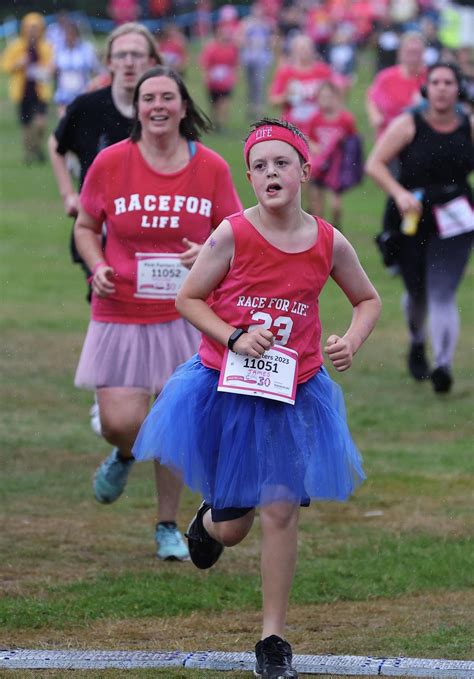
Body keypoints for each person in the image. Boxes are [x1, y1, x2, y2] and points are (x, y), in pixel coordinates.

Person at [132, 118, 381, 677]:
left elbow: (368, 300)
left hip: (296, 390)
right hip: (228, 386)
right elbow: (189, 297)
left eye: (282, 163)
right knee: (235, 526)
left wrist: (351, 341)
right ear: (249, 176)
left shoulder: (326, 241)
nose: (271, 172)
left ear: (303, 171)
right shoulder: (232, 234)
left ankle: (273, 639)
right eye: (260, 166)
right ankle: (208, 520)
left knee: (281, 509)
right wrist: (236, 336)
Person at [73, 65, 242, 561]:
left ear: (184, 106)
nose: (158, 106)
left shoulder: (210, 166)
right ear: (137, 108)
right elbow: (86, 225)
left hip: (184, 317)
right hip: (119, 310)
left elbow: (233, 232)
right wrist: (98, 264)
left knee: (172, 421)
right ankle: (124, 453)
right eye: (149, 98)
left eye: (168, 97)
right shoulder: (110, 163)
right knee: (122, 420)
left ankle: (168, 525)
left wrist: (204, 254)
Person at [48, 22, 162, 437]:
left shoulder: (164, 109)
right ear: (109, 62)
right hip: (99, 233)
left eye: (138, 55)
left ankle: (144, 400)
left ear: (152, 62)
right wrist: (68, 194)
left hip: (157, 240)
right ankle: (114, 398)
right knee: (110, 304)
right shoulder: (87, 106)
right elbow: (55, 146)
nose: (130, 63)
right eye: (122, 55)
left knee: (155, 312)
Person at [366, 62, 473, 393]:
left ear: (458, 89)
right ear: (426, 88)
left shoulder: (468, 124)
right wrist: (399, 194)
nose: (441, 88)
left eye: (448, 82)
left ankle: (443, 364)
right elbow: (375, 163)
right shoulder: (408, 123)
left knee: (442, 292)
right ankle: (416, 341)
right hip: (411, 218)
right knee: (417, 292)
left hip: (456, 217)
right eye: (436, 82)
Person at [1, 12, 54, 164]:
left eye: (36, 28)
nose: (33, 31)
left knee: (40, 124)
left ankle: (37, 147)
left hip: (40, 91)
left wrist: (46, 69)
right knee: (26, 127)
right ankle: (30, 154)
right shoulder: (17, 46)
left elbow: (52, 66)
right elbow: (5, 65)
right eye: (30, 28)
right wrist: (18, 64)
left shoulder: (45, 46)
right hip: (23, 91)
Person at [307, 80, 361, 229]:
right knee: (317, 204)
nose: (326, 101)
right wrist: (316, 147)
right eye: (322, 97)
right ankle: (318, 230)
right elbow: (309, 138)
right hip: (319, 165)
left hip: (336, 167)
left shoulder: (345, 119)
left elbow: (354, 142)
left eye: (329, 97)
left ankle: (336, 229)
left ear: (337, 98)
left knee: (335, 205)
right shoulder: (315, 118)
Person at [269, 32, 334, 136]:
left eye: (307, 48)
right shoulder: (286, 73)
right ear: (294, 51)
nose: (304, 52)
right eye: (300, 48)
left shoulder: (323, 71)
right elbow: (273, 101)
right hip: (292, 125)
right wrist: (287, 96)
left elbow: (335, 97)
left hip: (318, 126)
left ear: (313, 50)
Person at [366, 32, 427, 139]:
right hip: (388, 136)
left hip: (419, 136)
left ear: (423, 54)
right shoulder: (386, 77)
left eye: (416, 52)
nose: (413, 57)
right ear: (400, 53)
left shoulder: (431, 78)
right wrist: (375, 117)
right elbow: (371, 97)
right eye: (409, 52)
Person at [53, 19, 102, 117]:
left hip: (83, 93)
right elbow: (53, 70)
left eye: (71, 34)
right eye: (67, 34)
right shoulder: (58, 50)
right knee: (65, 122)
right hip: (65, 94)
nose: (69, 37)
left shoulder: (86, 49)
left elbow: (96, 70)